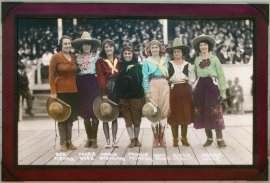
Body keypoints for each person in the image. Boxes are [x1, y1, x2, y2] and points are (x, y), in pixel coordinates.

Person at [191, 34, 227, 148]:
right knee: (203, 112)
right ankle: (209, 138)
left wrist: (223, 92)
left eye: (205, 45)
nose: (203, 47)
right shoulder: (197, 60)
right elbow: (194, 76)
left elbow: (221, 75)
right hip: (200, 87)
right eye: (201, 45)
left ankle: (220, 139)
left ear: (209, 46)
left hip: (212, 86)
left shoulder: (215, 59)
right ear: (198, 47)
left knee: (215, 111)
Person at [48, 35, 79, 152]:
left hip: (74, 91)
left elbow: (77, 70)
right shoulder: (55, 57)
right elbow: (51, 76)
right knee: (61, 117)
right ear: (61, 45)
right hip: (61, 91)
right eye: (65, 43)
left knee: (70, 118)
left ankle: (69, 141)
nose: (67, 45)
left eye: (69, 43)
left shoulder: (74, 57)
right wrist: (53, 92)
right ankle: (62, 141)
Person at [72, 31, 101, 148]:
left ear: (91, 46)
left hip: (92, 83)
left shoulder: (96, 57)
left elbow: (100, 70)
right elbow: (72, 70)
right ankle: (89, 138)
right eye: (84, 44)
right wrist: (78, 69)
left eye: (88, 44)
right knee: (84, 112)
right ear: (81, 46)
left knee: (93, 110)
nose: (86, 46)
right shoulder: (76, 58)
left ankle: (94, 139)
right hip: (81, 83)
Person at [166, 38, 195, 147]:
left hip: (185, 89)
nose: (177, 53)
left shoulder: (188, 65)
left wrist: (188, 84)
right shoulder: (169, 64)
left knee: (185, 114)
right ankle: (175, 139)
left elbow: (192, 79)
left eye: (178, 51)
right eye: (175, 52)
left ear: (182, 53)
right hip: (173, 89)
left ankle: (184, 138)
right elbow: (166, 77)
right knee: (174, 114)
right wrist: (170, 84)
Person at [142, 40, 170, 148]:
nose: (154, 49)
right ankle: (155, 138)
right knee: (154, 111)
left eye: (156, 47)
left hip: (164, 85)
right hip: (153, 85)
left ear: (160, 48)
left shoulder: (165, 60)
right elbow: (145, 77)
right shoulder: (147, 61)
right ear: (149, 49)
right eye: (152, 47)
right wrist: (147, 91)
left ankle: (162, 138)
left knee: (163, 111)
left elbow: (168, 74)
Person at [116, 46, 144, 148]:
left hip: (136, 95)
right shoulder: (119, 65)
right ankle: (131, 139)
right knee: (127, 118)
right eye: (125, 54)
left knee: (136, 119)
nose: (127, 55)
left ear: (133, 55)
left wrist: (134, 68)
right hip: (123, 95)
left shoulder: (138, 65)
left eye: (129, 53)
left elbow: (141, 76)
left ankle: (136, 139)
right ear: (122, 55)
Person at [96, 39, 121, 149]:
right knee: (105, 114)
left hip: (117, 87)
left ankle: (115, 140)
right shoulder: (100, 61)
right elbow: (101, 78)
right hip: (107, 86)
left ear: (114, 48)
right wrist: (104, 92)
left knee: (114, 114)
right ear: (104, 49)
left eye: (110, 46)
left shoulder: (118, 59)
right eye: (106, 47)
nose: (108, 49)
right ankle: (107, 141)